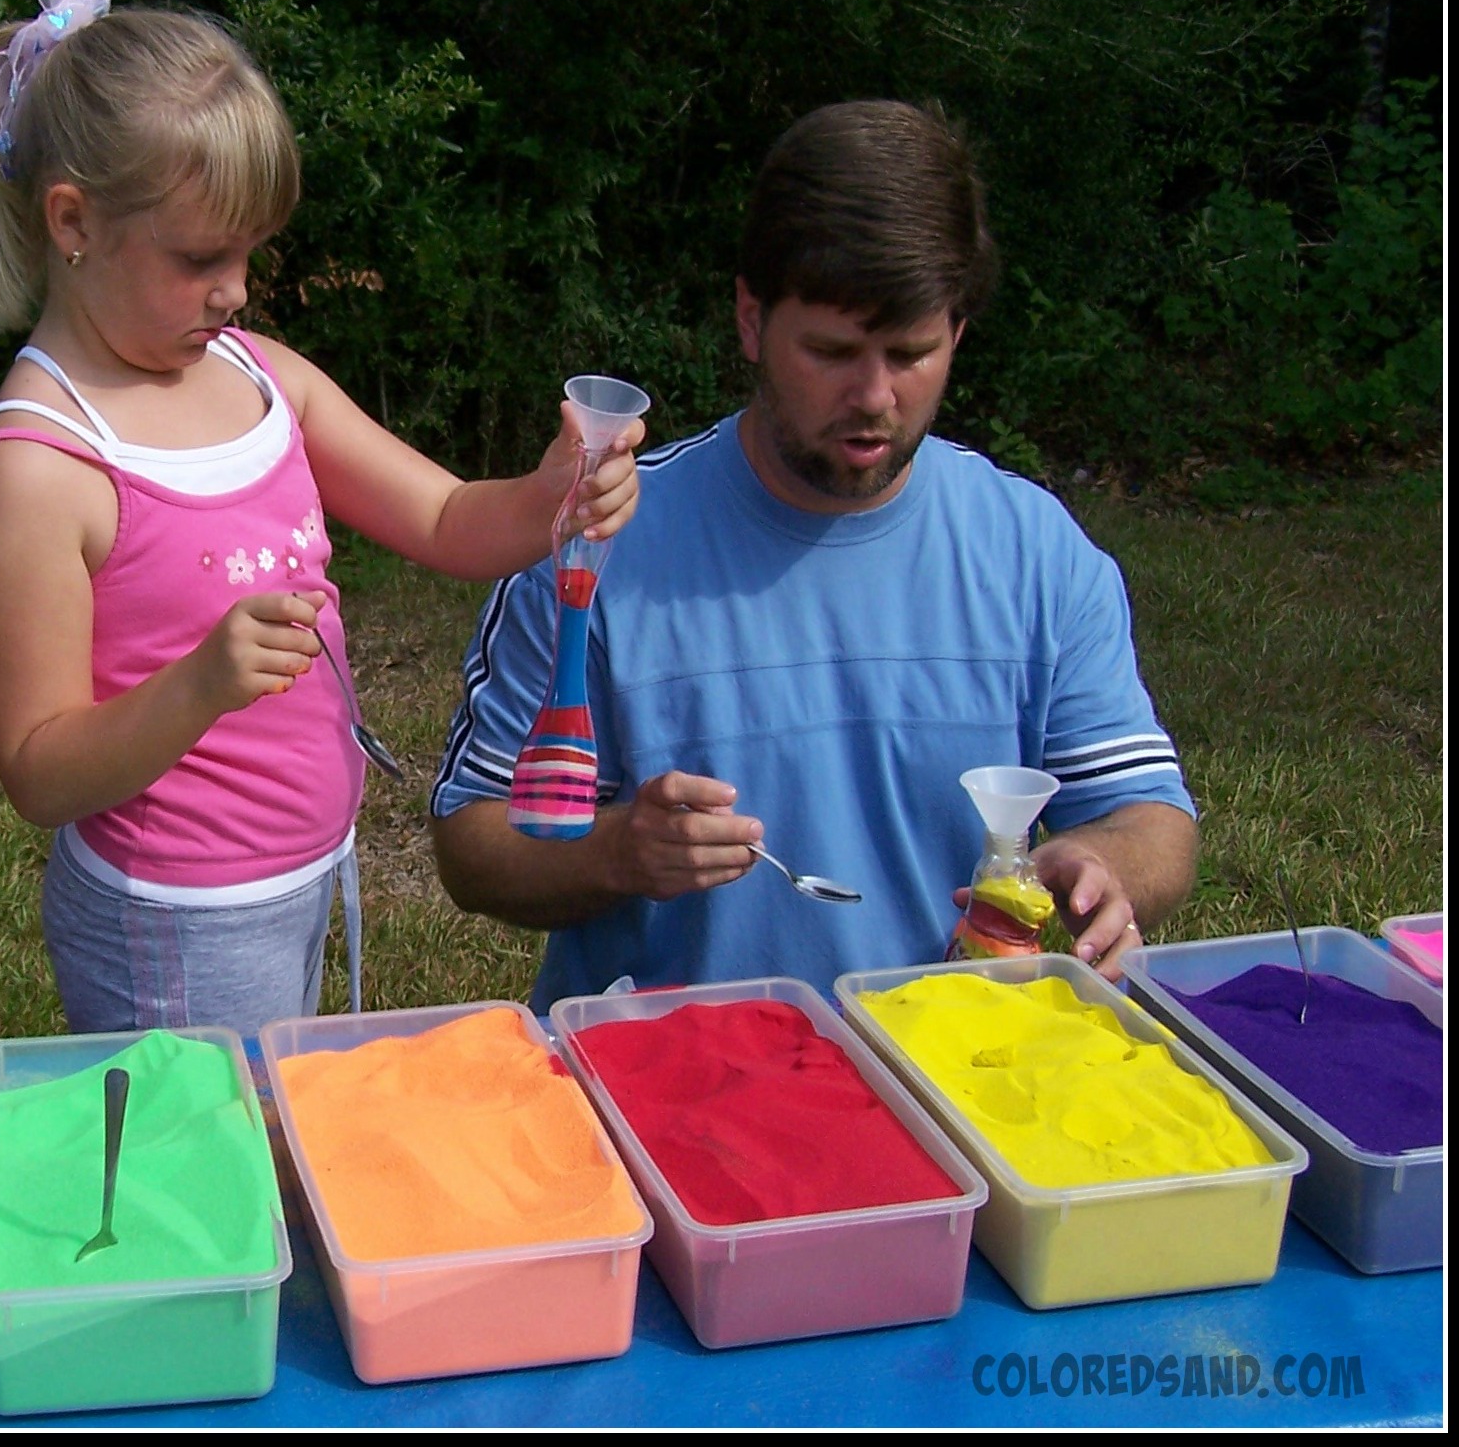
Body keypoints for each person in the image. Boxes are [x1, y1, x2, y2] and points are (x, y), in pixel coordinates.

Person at [0, 0, 643, 1036]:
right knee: (203, 1174)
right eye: (199, 258)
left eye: (247, 253)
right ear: (72, 221)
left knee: (271, 1129)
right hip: (171, 912)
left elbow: (449, 519)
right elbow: (40, 770)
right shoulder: (39, 466)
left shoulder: (262, 375)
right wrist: (199, 684)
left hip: (300, 868)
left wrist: (555, 493)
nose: (232, 289)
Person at [429, 100, 1197, 1009]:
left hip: (957, 1069)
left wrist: (1103, 861)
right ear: (752, 320)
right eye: (832, 351)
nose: (873, 396)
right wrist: (615, 853)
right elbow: (472, 840)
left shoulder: (1033, 554)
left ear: (958, 331)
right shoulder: (597, 542)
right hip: (674, 1088)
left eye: (911, 352)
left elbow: (1154, 818)